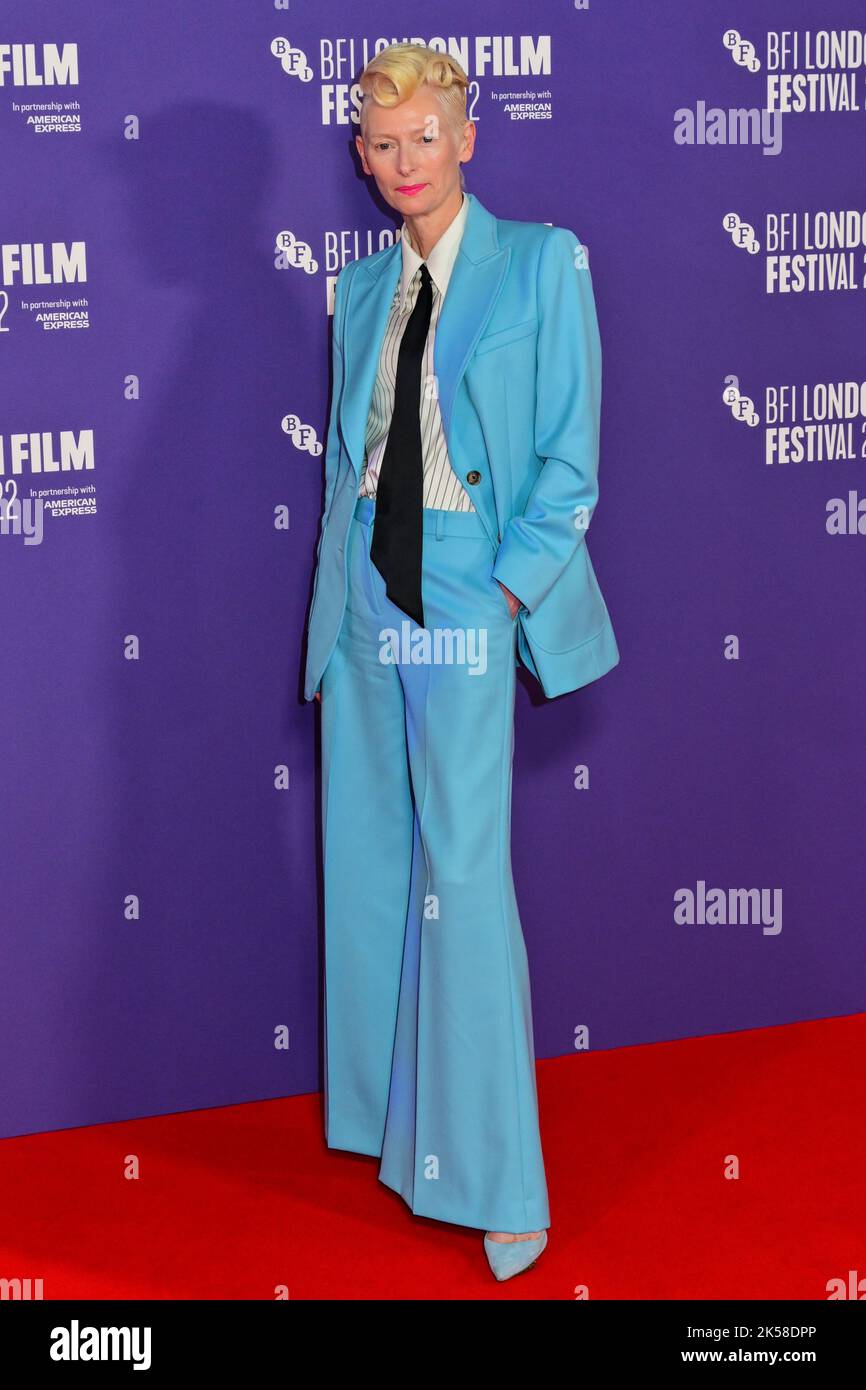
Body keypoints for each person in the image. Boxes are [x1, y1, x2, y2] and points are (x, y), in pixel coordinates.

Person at [304, 42, 619, 1281]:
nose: (399, 164)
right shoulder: (358, 287)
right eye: (378, 145)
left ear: (465, 138)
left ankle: (497, 1178)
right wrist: (337, 616)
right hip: (369, 599)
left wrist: (496, 595)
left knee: (465, 879)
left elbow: (569, 463)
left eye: (421, 138)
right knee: (374, 862)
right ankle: (400, 1135)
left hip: (467, 590)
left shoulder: (541, 262)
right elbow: (350, 459)